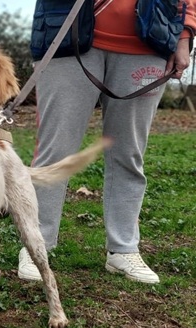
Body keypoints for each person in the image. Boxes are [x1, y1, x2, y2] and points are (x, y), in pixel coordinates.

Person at [18, 0, 196, 284]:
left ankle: (123, 249)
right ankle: (36, 243)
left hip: (148, 42)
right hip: (66, 36)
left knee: (129, 153)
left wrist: (184, 36)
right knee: (55, 150)